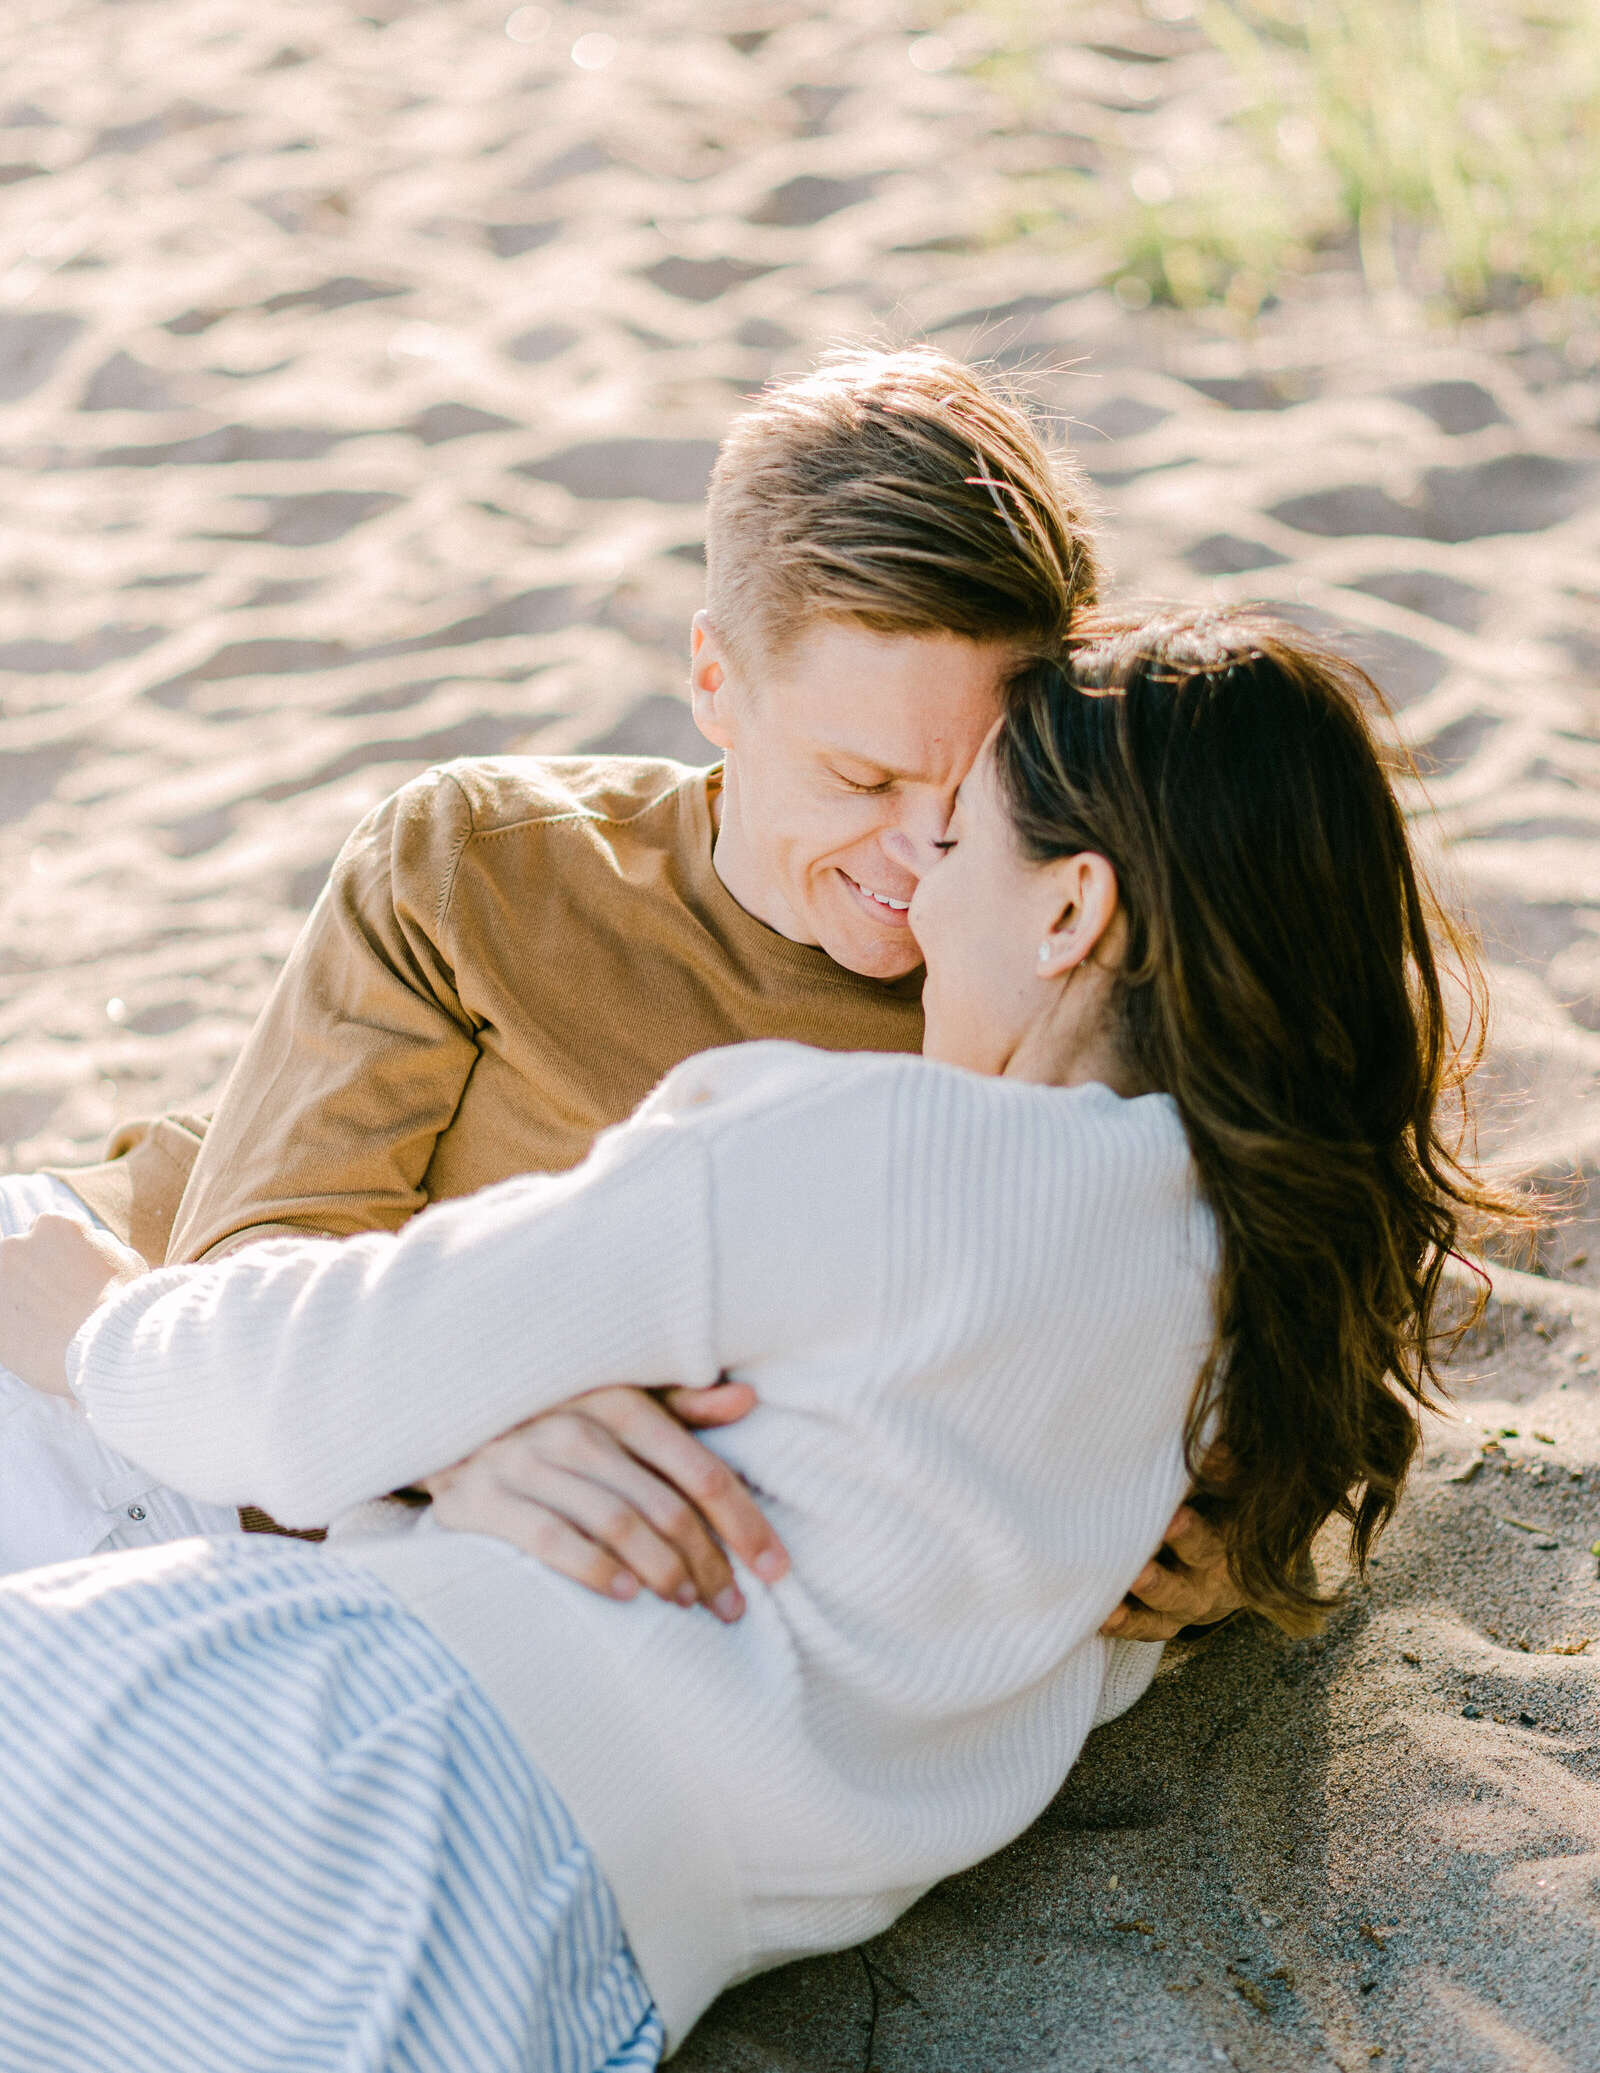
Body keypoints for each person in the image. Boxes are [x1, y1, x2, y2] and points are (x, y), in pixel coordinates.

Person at [0, 609, 1514, 2072]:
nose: (918, 904)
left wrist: (91, 1312)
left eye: (963, 838)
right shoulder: (1242, 1387)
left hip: (313, 1751)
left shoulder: (871, 1151)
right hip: (564, 1990)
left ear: (1070, 908)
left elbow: (298, 1387)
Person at [0, 347, 1237, 1641]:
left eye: (983, 781)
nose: (924, 851)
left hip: (373, 1554)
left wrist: (1246, 1554)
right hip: (101, 1367)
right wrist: (465, 1437)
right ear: (716, 682)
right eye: (862, 781)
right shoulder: (480, 859)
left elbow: (1291, 1272)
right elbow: (249, 1271)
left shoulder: (1050, 970)